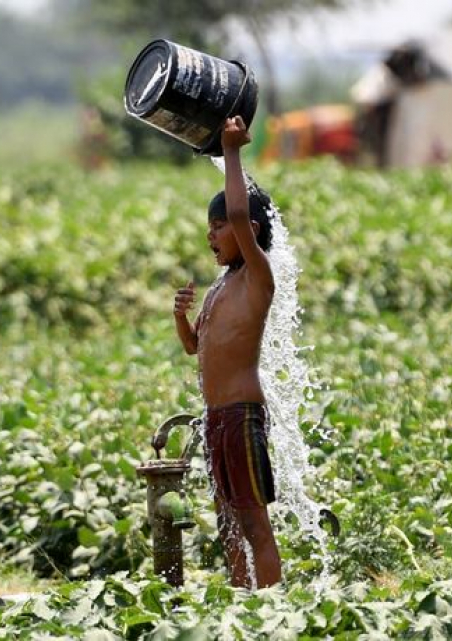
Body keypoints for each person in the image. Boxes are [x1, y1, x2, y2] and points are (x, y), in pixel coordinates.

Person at [173, 116, 282, 589]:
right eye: (210, 227)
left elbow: (240, 214)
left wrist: (231, 152)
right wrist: (181, 319)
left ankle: (274, 609)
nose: (212, 235)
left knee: (255, 524)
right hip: (216, 419)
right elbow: (195, 346)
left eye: (219, 226)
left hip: (241, 417)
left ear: (249, 230)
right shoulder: (221, 288)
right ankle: (242, 609)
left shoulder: (258, 278)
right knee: (228, 526)